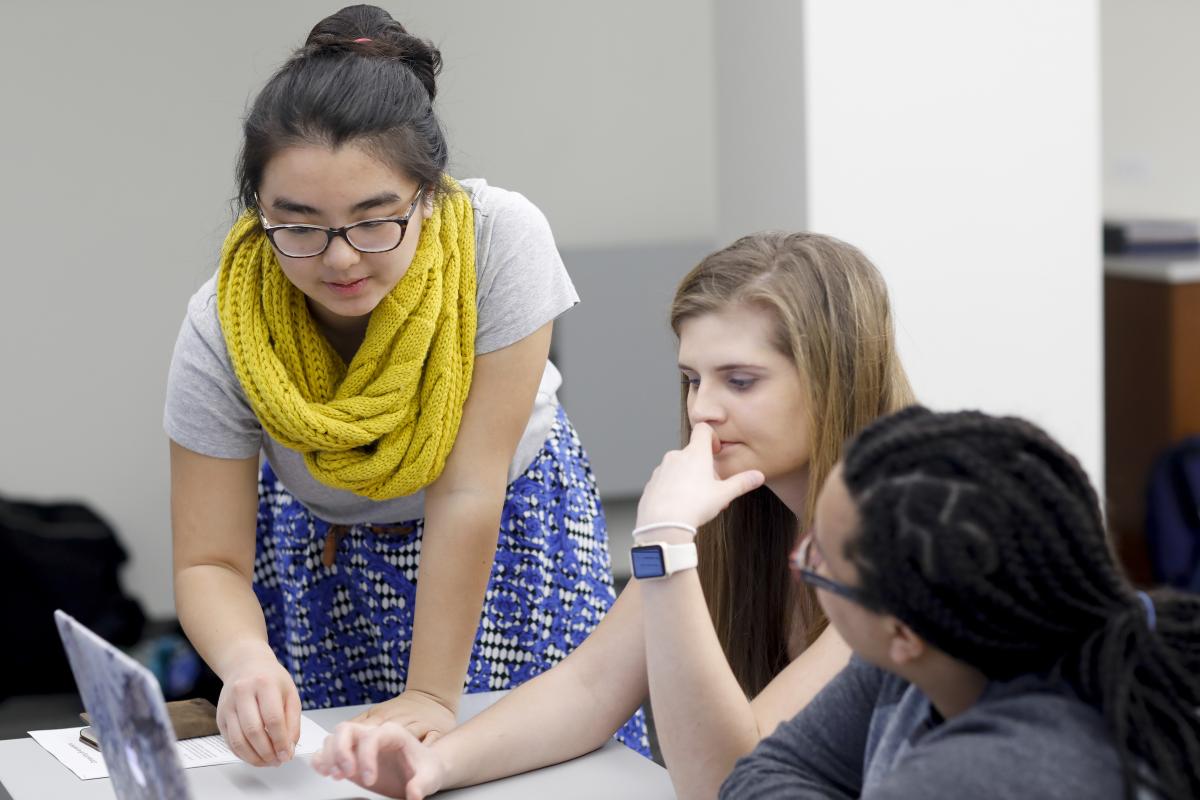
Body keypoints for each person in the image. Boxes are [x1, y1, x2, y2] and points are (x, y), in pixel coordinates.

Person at [164, 4, 640, 767]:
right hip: (327, 557)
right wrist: (246, 662)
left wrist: (430, 696)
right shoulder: (224, 324)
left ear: (429, 194)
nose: (340, 258)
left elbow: (467, 490)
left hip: (504, 532)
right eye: (300, 225)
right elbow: (209, 562)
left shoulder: (498, 240)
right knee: (345, 768)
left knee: (534, 764)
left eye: (374, 219)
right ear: (257, 213)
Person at [310, 231, 917, 798]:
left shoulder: (907, 550)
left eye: (739, 380)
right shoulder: (737, 515)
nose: (702, 409)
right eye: (691, 378)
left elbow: (731, 785)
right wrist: (433, 763)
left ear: (833, 377)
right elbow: (589, 688)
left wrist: (666, 546)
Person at [721, 407, 1200, 800]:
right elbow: (762, 773)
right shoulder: (921, 652)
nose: (802, 560)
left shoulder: (978, 776)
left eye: (817, 557)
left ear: (902, 633)